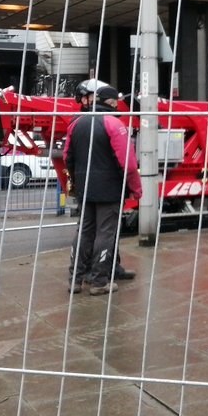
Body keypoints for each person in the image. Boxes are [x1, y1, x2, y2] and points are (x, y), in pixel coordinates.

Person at [64, 80, 142, 295]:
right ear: (113, 103)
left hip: (84, 188)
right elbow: (129, 164)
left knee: (84, 232)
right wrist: (137, 189)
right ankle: (100, 282)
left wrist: (77, 181)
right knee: (106, 234)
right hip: (109, 189)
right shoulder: (115, 124)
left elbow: (67, 157)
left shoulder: (76, 123)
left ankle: (75, 280)